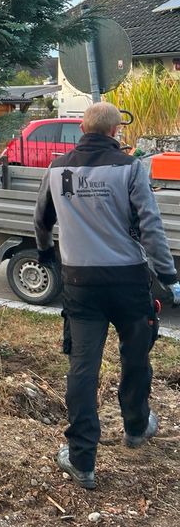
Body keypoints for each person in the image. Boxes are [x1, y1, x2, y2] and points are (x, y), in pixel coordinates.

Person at [34, 101, 180, 490]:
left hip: (81, 285)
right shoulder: (131, 168)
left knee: (83, 368)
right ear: (116, 133)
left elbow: (41, 221)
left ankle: (82, 460)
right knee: (135, 356)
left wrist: (48, 253)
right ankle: (135, 427)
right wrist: (168, 276)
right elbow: (150, 225)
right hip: (129, 283)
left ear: (82, 129)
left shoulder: (56, 168)